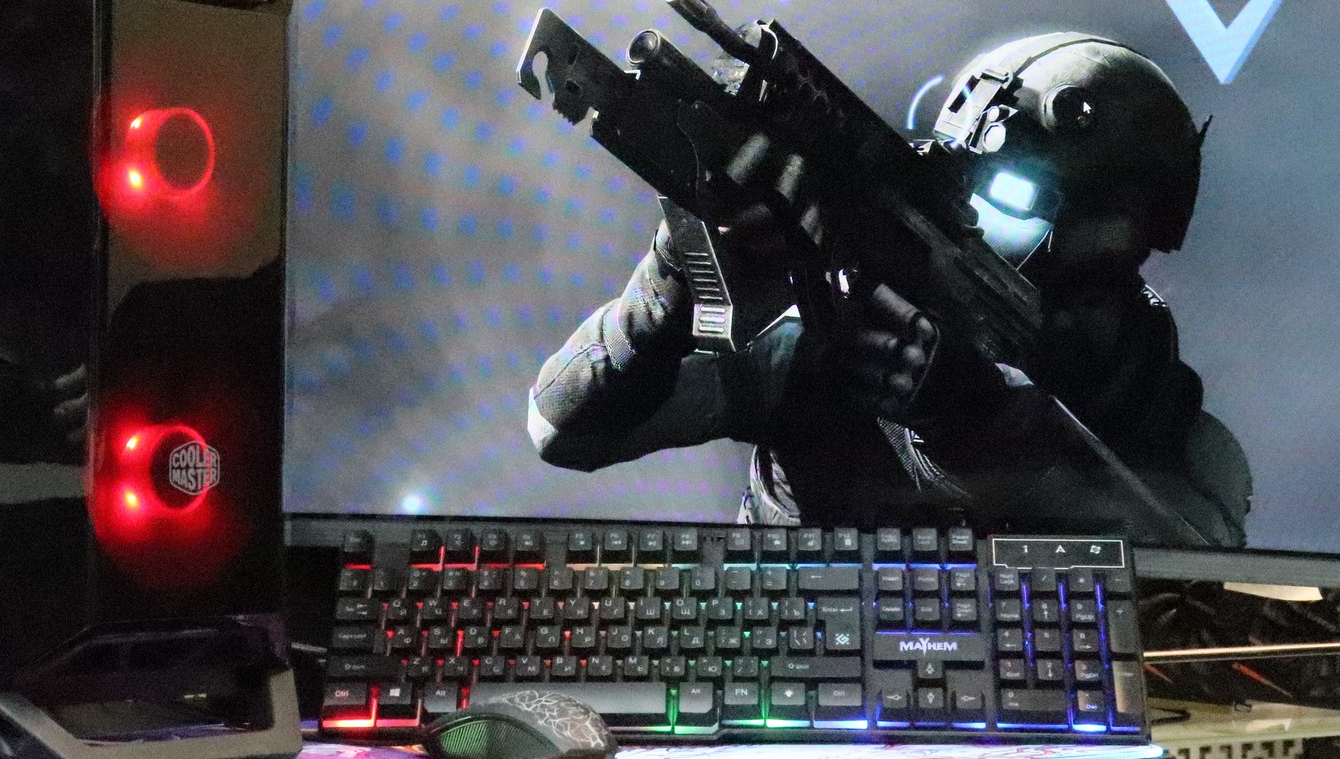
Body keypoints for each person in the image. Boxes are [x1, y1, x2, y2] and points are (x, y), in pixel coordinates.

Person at [526, 32, 1250, 548]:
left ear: (1117, 243)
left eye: (1017, 206)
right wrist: (670, 288)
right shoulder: (824, 340)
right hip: (797, 668)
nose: (984, 232)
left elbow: (1181, 570)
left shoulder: (1165, 421)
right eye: (964, 197)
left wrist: (973, 414)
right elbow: (564, 431)